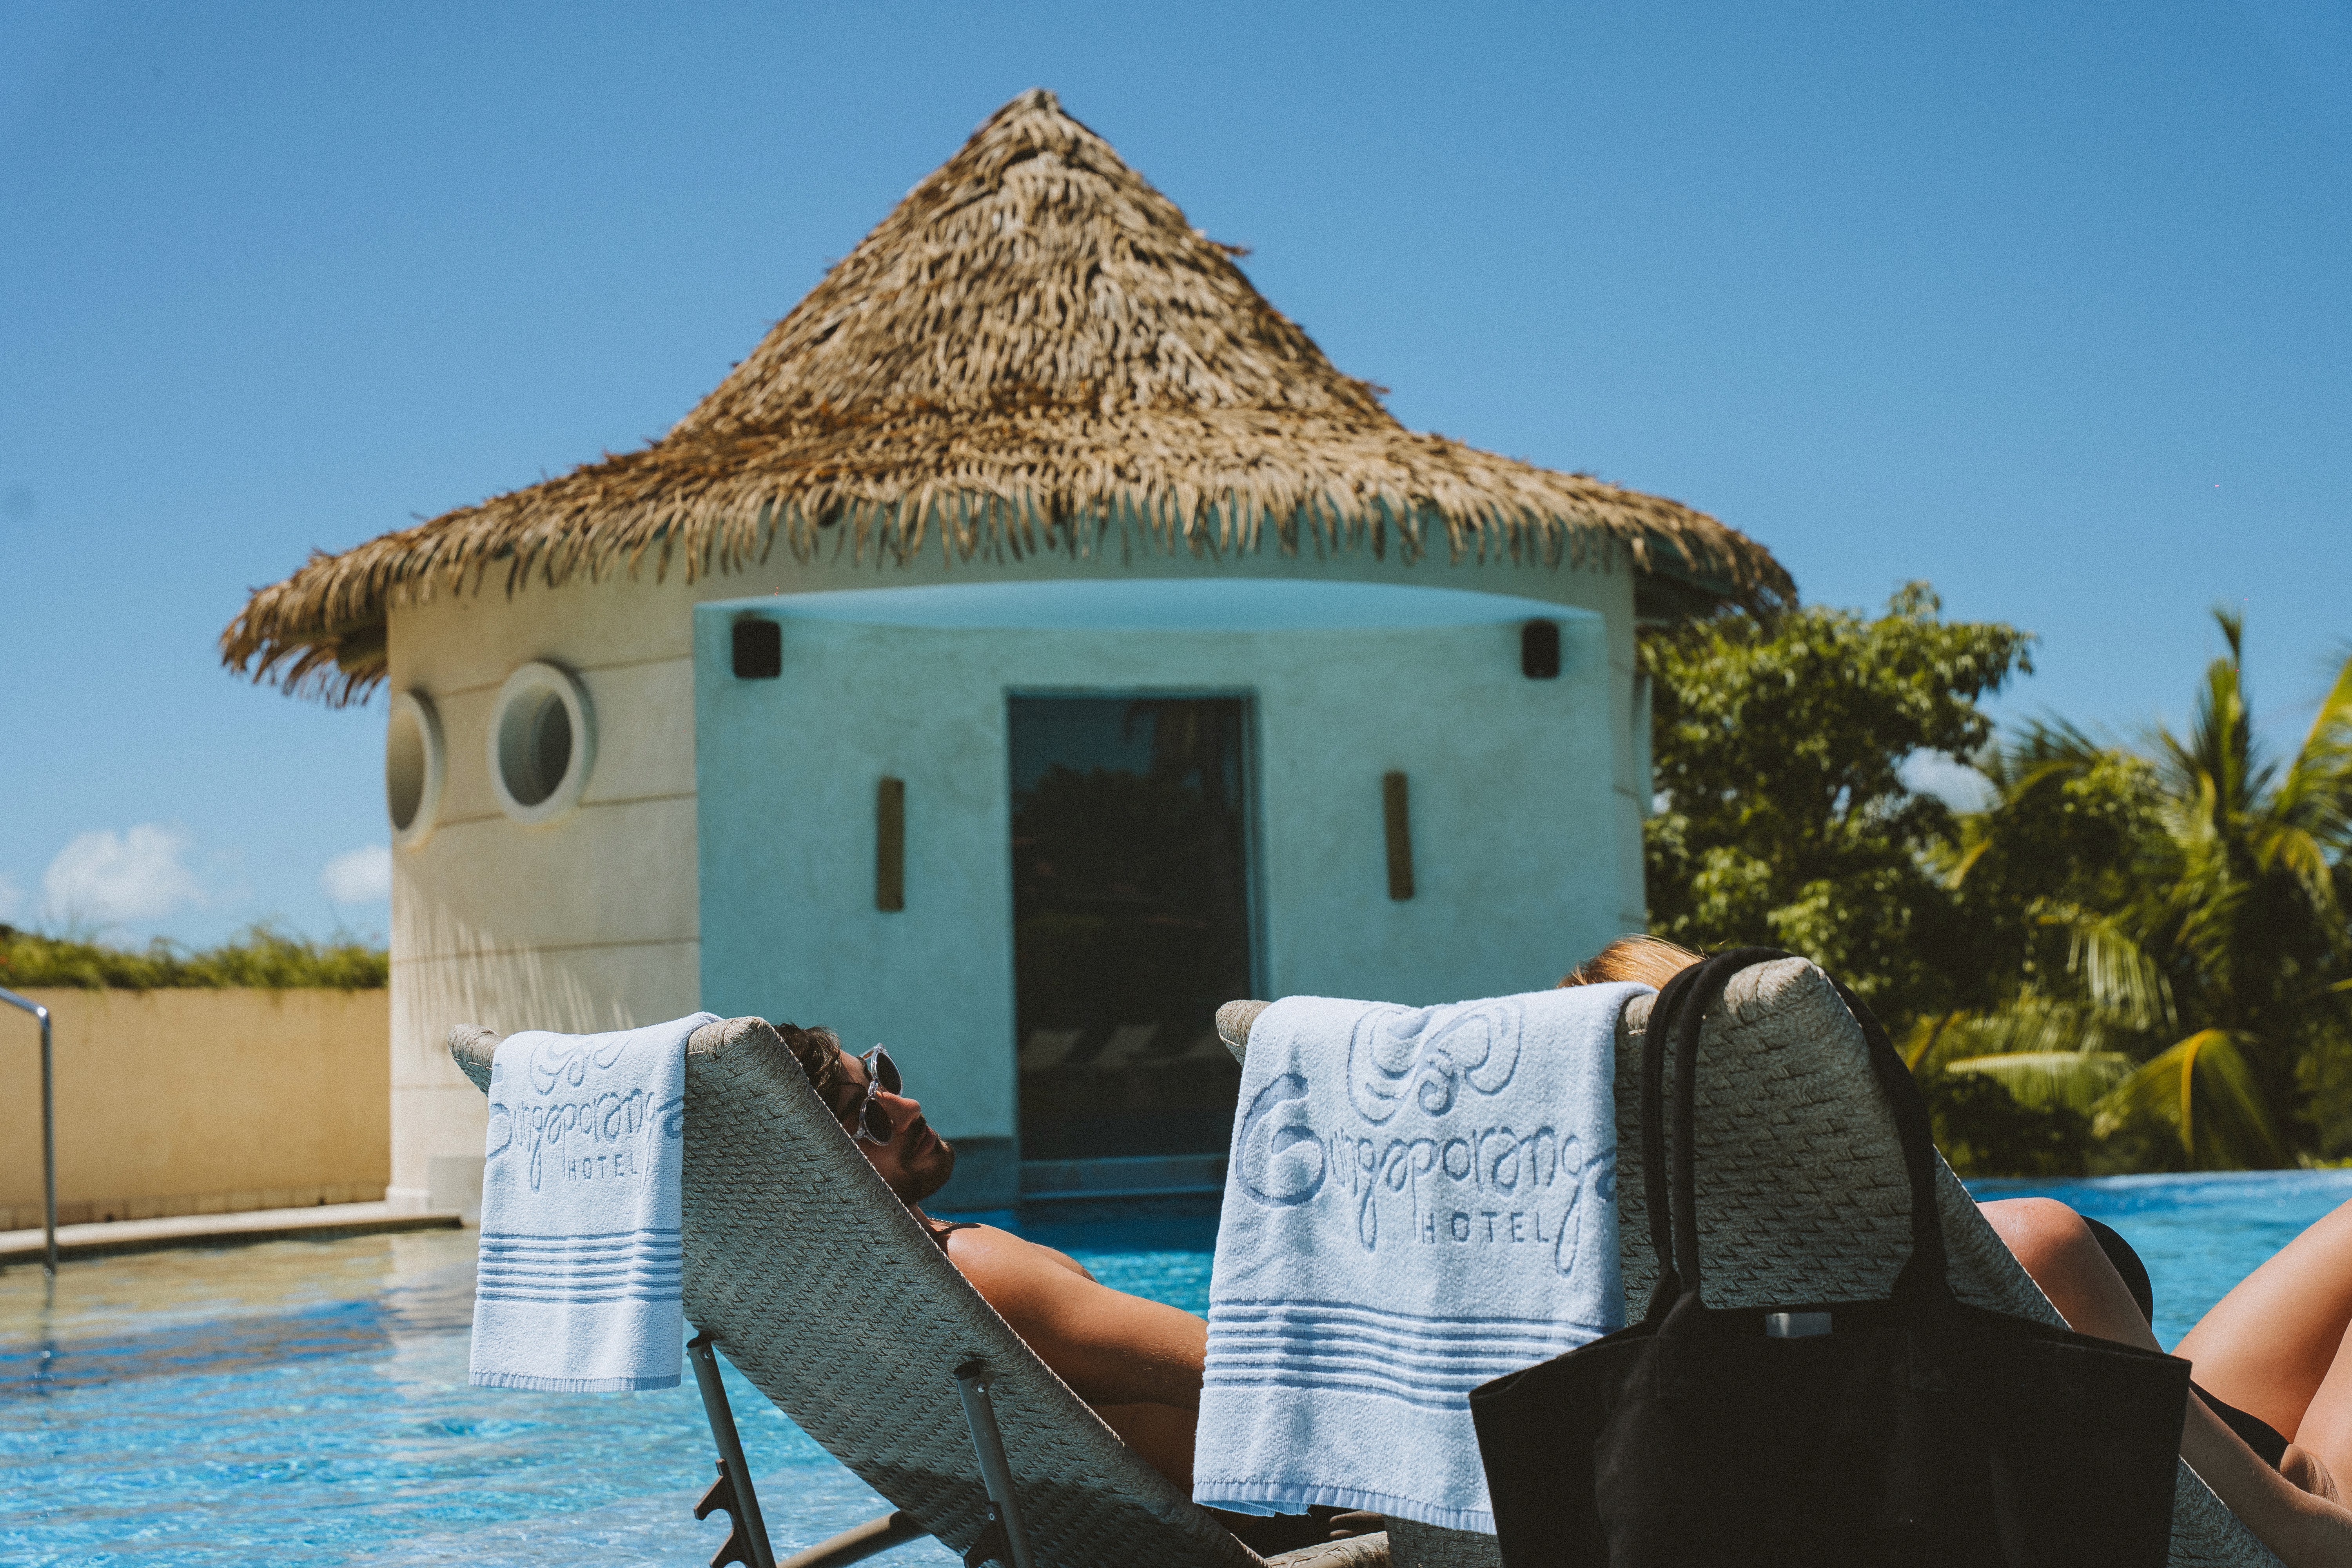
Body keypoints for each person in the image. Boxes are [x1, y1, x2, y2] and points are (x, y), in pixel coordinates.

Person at [1558, 936, 2352, 1566]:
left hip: (2187, 1449)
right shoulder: (2021, 1245)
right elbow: (2301, 1539)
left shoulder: (1587, 1350)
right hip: (2270, 1504)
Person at [769, 1022, 1379, 1553]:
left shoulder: (845, 1312)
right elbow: (1240, 1373)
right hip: (1309, 1517)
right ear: (823, 1174)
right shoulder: (974, 1269)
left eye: (885, 1078)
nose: (908, 1107)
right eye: (871, 1118)